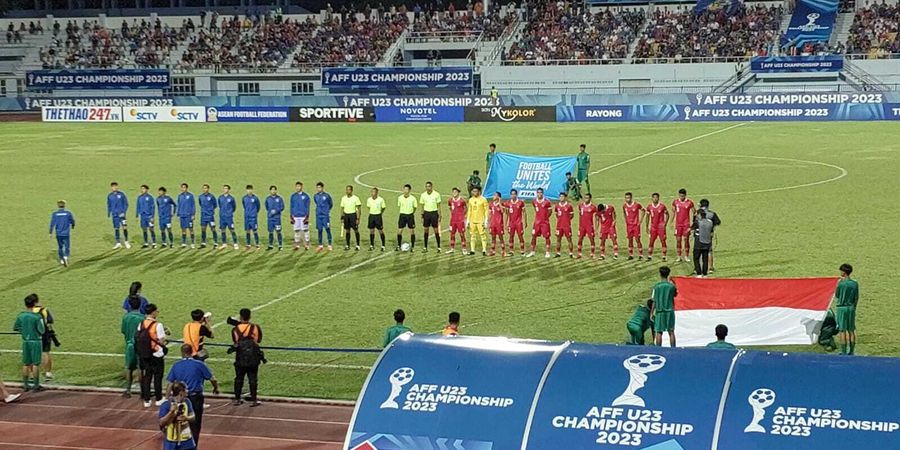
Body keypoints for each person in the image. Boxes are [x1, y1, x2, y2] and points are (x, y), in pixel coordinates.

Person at [167, 344, 220, 446]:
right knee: (195, 423)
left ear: (181, 353)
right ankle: (193, 445)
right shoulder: (199, 364)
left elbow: (170, 383)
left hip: (179, 399)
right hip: (195, 397)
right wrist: (216, 388)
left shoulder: (176, 365)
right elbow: (212, 379)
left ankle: (178, 444)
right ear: (192, 352)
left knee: (178, 421)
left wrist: (167, 398)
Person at [137, 304, 167, 408]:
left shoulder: (141, 324)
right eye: (156, 311)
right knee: (158, 376)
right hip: (156, 354)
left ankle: (147, 400)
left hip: (145, 353)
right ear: (153, 312)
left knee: (147, 376)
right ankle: (158, 398)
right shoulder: (158, 325)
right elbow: (162, 341)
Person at [231, 309, 262, 407]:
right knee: (253, 378)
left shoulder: (235, 329)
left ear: (240, 317)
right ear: (250, 316)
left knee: (239, 378)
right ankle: (254, 400)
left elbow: (235, 342)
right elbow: (259, 340)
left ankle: (237, 399)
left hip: (240, 357)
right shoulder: (255, 327)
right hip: (253, 357)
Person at [14, 294, 45, 392]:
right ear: (35, 303)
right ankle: (36, 385)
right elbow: (42, 330)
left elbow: (16, 328)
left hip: (25, 341)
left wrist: (25, 331)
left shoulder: (20, 316)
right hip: (36, 341)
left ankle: (26, 385)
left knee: (26, 363)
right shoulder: (37, 317)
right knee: (35, 364)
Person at [159, 381, 196, 450]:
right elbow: (161, 423)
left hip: (187, 441)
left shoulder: (187, 402)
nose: (187, 392)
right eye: (186, 390)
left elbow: (193, 416)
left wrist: (186, 418)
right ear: (181, 393)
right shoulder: (166, 404)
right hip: (171, 443)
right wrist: (171, 412)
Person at [121, 295, 144, 398]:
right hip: (140, 346)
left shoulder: (125, 317)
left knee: (129, 368)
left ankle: (128, 390)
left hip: (129, 345)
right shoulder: (142, 318)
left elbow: (123, 331)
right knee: (140, 368)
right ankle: (142, 391)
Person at [834, 263, 859, 355]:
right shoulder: (855, 284)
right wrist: (854, 308)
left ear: (844, 272)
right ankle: (852, 351)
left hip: (842, 308)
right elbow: (856, 297)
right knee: (851, 330)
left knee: (842, 330)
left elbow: (837, 295)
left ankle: (843, 351)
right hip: (851, 308)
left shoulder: (841, 284)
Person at [652, 266, 677, 347]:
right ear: (668, 274)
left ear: (660, 274)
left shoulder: (657, 286)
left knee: (659, 332)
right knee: (671, 332)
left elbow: (654, 300)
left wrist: (652, 312)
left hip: (660, 311)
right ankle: (673, 349)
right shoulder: (671, 286)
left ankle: (658, 349)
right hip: (669, 311)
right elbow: (675, 294)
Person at [32, 298, 56, 380]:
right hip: (44, 334)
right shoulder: (44, 310)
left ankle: (33, 374)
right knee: (46, 352)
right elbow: (50, 322)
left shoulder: (29, 311)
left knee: (33, 354)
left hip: (33, 335)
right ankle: (48, 373)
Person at [49, 200, 75, 266]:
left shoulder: (55, 214)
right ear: (64, 205)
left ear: (58, 206)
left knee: (60, 247)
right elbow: (72, 220)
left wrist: (50, 232)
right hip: (66, 233)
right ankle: (66, 256)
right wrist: (73, 225)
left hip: (58, 233)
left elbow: (52, 223)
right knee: (67, 246)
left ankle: (61, 259)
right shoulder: (68, 213)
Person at [672, 188, 696, 263]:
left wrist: (694, 222)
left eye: (683, 196)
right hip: (678, 224)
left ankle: (686, 256)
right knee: (678, 240)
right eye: (680, 196)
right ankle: (679, 256)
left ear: (685, 195)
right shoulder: (675, 202)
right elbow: (673, 212)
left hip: (686, 224)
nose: (681, 197)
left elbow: (694, 212)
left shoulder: (689, 203)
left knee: (686, 240)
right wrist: (671, 222)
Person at [698, 199, 722, 271]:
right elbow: (718, 222)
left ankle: (698, 267)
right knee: (709, 250)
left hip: (699, 234)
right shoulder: (712, 214)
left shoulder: (698, 213)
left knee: (698, 251)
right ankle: (710, 267)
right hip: (709, 234)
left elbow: (695, 223)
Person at [528, 188, 553, 258]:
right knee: (533, 236)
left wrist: (545, 218)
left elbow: (550, 211)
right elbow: (536, 209)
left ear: (543, 193)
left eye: (541, 192)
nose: (539, 194)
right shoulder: (534, 201)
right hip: (537, 222)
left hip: (545, 223)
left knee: (547, 237)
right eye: (538, 192)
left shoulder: (547, 201)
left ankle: (547, 252)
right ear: (536, 193)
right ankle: (532, 252)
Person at [645, 193, 669, 261]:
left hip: (661, 227)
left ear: (658, 198)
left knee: (663, 240)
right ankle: (649, 256)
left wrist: (665, 223)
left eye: (656, 198)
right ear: (652, 198)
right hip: (653, 227)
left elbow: (667, 215)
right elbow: (647, 217)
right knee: (651, 241)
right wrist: (647, 226)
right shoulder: (649, 207)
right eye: (654, 198)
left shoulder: (662, 206)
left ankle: (664, 256)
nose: (655, 199)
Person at [419, 181, 442, 253]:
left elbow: (438, 206)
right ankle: (425, 247)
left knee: (436, 230)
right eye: (426, 186)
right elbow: (422, 206)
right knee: (426, 230)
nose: (428, 188)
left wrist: (440, 215)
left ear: (431, 187)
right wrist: (422, 216)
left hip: (434, 213)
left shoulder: (436, 194)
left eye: (429, 186)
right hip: (426, 213)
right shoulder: (423, 195)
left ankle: (438, 247)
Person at [108, 181, 131, 249]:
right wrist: (109, 212)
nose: (114, 188)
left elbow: (126, 204)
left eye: (115, 186)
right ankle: (118, 243)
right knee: (116, 228)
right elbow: (109, 205)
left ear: (117, 187)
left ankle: (126, 242)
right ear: (111, 187)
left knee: (124, 227)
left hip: (122, 214)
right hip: (115, 215)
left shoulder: (121, 194)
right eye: (113, 187)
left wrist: (123, 212)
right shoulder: (110, 196)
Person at [467, 186, 489, 256]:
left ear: (479, 191)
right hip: (472, 220)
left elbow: (486, 211)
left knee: (482, 235)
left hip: (480, 221)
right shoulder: (470, 200)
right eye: (473, 191)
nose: (474, 193)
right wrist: (468, 220)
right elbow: (469, 210)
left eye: (476, 191)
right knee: (472, 235)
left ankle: (484, 250)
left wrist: (486, 220)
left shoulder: (483, 200)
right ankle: (472, 250)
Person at [505, 189, 527, 256]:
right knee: (511, 236)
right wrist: (506, 224)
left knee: (520, 236)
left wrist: (525, 222)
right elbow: (507, 214)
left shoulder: (520, 202)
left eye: (514, 194)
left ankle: (522, 250)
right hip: (511, 223)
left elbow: (524, 213)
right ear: (510, 195)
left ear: (516, 195)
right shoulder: (508, 203)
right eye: (512, 194)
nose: (513, 195)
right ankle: (511, 251)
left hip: (519, 223)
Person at [691, 210, 714, 277]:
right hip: (707, 243)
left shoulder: (698, 222)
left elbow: (692, 228)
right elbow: (711, 233)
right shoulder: (710, 222)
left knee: (696, 258)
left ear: (699, 215)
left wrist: (694, 217)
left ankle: (699, 273)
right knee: (705, 259)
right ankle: (705, 273)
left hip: (698, 243)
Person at [290, 182, 311, 251]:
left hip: (303, 216)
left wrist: (307, 216)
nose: (298, 188)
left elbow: (308, 207)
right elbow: (291, 206)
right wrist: (291, 215)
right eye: (297, 186)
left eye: (299, 186)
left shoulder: (306, 196)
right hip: (295, 216)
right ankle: (297, 245)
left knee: (305, 230)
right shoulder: (293, 196)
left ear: (302, 187)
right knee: (296, 230)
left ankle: (307, 244)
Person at [446, 187, 468, 254]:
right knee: (452, 234)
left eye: (456, 192)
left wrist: (462, 215)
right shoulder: (450, 200)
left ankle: (464, 249)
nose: (454, 193)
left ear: (458, 193)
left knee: (462, 234)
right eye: (453, 192)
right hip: (453, 220)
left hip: (460, 221)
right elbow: (450, 207)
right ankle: (452, 249)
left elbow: (466, 209)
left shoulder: (462, 201)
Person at [217, 185, 240, 250]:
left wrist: (230, 213)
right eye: (224, 188)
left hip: (229, 217)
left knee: (232, 229)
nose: (225, 190)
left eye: (226, 189)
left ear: (229, 190)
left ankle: (235, 243)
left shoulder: (231, 198)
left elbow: (234, 207)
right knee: (223, 230)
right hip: (222, 217)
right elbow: (220, 205)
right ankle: (224, 244)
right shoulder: (220, 197)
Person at [623, 192, 644, 260]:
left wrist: (640, 220)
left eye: (628, 198)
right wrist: (626, 220)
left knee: (637, 239)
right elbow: (624, 212)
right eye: (626, 198)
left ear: (631, 198)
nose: (627, 199)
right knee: (630, 240)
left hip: (636, 225)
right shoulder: (624, 206)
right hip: (629, 226)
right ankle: (631, 255)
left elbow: (643, 210)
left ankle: (640, 254)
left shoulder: (636, 205)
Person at [340, 185, 362, 251]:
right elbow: (342, 208)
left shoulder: (356, 198)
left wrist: (358, 218)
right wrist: (342, 217)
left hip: (353, 215)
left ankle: (358, 245)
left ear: (351, 191)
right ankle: (347, 245)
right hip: (346, 215)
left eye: (349, 190)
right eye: (347, 190)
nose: (347, 191)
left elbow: (359, 209)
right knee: (347, 230)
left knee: (356, 230)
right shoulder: (343, 198)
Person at [313, 182, 334, 252]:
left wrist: (326, 211)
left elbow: (331, 204)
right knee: (319, 230)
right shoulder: (315, 196)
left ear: (322, 188)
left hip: (325, 216)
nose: (318, 189)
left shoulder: (327, 196)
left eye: (319, 187)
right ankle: (320, 245)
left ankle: (330, 245)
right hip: (318, 216)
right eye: (317, 187)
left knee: (327, 229)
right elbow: (316, 202)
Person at [577, 194, 598, 259]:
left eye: (587, 198)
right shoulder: (581, 205)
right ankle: (579, 253)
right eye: (585, 198)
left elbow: (596, 217)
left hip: (589, 226)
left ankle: (592, 253)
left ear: (590, 198)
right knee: (580, 239)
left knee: (591, 239)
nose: (586, 199)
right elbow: (580, 215)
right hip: (582, 226)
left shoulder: (593, 207)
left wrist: (596, 228)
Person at [396, 184, 417, 251]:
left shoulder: (413, 198)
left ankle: (412, 247)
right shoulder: (400, 198)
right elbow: (399, 206)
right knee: (399, 231)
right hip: (402, 215)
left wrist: (411, 213)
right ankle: (399, 245)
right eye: (404, 189)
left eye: (407, 190)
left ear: (409, 190)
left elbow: (415, 207)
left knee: (412, 231)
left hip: (410, 215)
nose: (405, 191)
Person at [197, 184, 218, 249]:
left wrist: (210, 211)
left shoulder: (211, 196)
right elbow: (200, 204)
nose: (204, 189)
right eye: (203, 188)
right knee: (203, 229)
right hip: (203, 216)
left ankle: (215, 243)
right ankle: (203, 243)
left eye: (206, 188)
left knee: (213, 229)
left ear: (208, 189)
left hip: (210, 216)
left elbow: (215, 205)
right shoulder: (200, 197)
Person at [554, 192, 575, 258]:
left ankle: (571, 253)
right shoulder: (557, 206)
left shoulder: (569, 206)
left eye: (562, 197)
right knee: (558, 239)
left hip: (567, 226)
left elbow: (572, 215)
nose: (561, 198)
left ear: (565, 197)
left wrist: (567, 220)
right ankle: (558, 253)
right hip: (559, 225)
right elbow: (557, 214)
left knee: (569, 239)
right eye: (560, 197)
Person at [176, 183, 196, 249]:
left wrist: (193, 214)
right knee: (183, 229)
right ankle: (184, 243)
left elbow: (193, 205)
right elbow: (178, 205)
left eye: (184, 187)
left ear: (187, 188)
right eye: (182, 187)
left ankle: (192, 243)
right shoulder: (180, 196)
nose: (183, 189)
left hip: (189, 215)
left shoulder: (190, 196)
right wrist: (178, 214)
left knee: (191, 229)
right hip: (182, 215)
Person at [265, 185, 285, 251]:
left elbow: (282, 207)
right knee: (270, 232)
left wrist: (276, 211)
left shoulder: (279, 199)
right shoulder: (268, 199)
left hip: (277, 219)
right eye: (272, 190)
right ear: (270, 191)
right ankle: (270, 245)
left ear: (276, 191)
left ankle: (280, 245)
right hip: (270, 219)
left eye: (274, 190)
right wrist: (270, 213)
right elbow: (267, 207)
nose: (273, 191)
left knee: (278, 232)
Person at [242, 185, 261, 249]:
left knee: (254, 230)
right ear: (246, 190)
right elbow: (244, 206)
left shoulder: (255, 198)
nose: (249, 191)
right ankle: (248, 244)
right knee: (247, 231)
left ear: (252, 190)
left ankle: (257, 244)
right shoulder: (244, 198)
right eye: (248, 189)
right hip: (247, 217)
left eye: (250, 189)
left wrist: (254, 213)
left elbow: (258, 206)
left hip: (253, 217)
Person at [488, 192, 506, 256]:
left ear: (498, 197)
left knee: (501, 238)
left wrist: (500, 203)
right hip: (493, 224)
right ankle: (492, 251)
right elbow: (490, 214)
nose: (493, 196)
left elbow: (502, 211)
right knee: (493, 237)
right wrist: (488, 223)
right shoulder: (491, 204)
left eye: (495, 195)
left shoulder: (502, 204)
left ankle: (503, 251)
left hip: (499, 224)